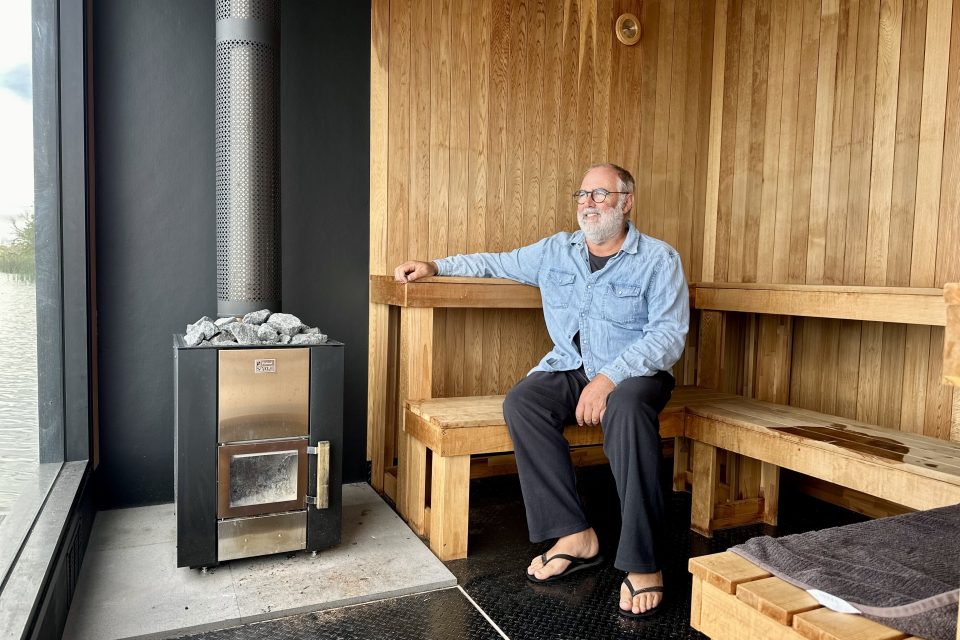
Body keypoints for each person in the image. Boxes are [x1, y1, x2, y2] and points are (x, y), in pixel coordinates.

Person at [394, 163, 689, 618]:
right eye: (582, 195)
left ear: (627, 202)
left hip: (636, 375)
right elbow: (495, 262)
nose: (588, 204)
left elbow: (668, 336)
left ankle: (644, 561)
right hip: (573, 368)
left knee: (627, 412)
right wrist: (436, 266)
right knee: (524, 401)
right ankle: (575, 533)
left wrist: (609, 380)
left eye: (600, 194)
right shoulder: (556, 251)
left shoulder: (659, 259)